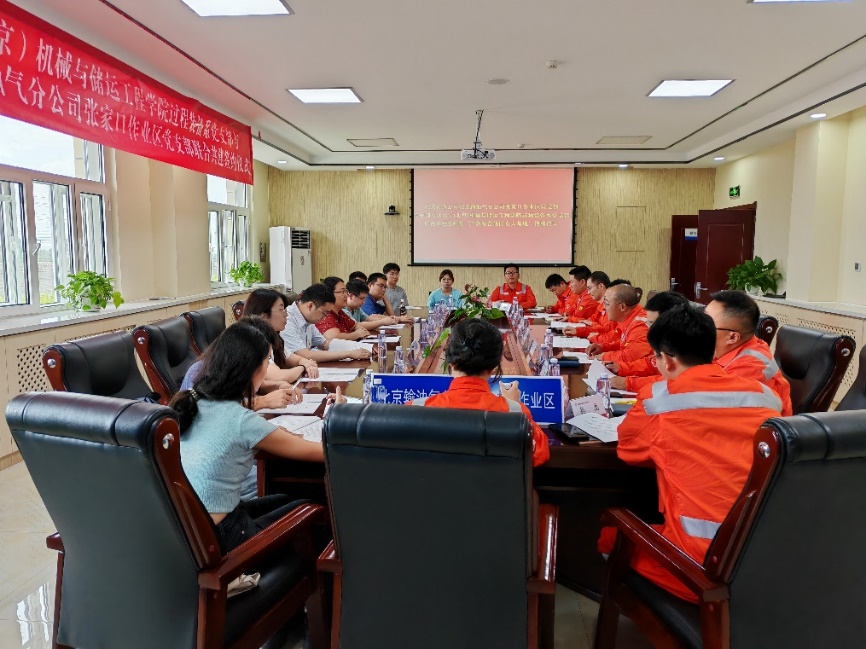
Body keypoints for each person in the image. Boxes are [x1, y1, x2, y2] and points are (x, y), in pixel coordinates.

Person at [598, 306, 782, 603]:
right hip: (768, 555)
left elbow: (628, 451)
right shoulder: (765, 396)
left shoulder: (658, 402)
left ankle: (657, 614)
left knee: (610, 535)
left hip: (702, 568)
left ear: (667, 359)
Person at [170, 320, 328, 553]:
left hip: (189, 532)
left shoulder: (192, 403)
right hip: (223, 537)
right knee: (311, 507)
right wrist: (339, 416)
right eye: (267, 361)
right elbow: (323, 452)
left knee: (287, 500)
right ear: (254, 369)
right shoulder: (243, 420)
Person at [406, 318, 549, 467]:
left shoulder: (414, 411)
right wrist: (515, 406)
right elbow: (539, 452)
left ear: (450, 362)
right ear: (494, 367)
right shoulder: (515, 414)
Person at [180, 316, 304, 411]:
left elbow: (244, 387)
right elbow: (215, 411)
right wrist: (263, 401)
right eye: (266, 359)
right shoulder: (199, 371)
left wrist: (276, 385)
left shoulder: (230, 366)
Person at [706, 290, 793, 416]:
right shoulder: (727, 348)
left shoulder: (750, 368)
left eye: (707, 324)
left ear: (733, 337)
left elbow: (709, 407)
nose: (700, 326)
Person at [604, 291, 690, 392]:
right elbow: (652, 363)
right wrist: (621, 368)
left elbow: (673, 381)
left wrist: (629, 383)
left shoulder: (688, 344)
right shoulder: (666, 340)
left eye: (653, 324)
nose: (649, 329)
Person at [281, 283, 371, 362]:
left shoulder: (307, 318)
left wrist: (363, 347)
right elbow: (306, 355)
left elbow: (325, 344)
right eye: (324, 313)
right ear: (310, 306)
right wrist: (349, 354)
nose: (325, 317)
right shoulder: (287, 320)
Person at [242, 288, 319, 380]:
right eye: (281, 310)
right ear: (264, 316)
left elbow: (297, 359)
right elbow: (280, 376)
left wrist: (306, 363)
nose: (286, 314)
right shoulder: (253, 341)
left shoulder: (273, 338)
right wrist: (303, 367)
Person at [586, 284, 650, 364]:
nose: (604, 308)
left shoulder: (640, 326)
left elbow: (630, 356)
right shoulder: (628, 317)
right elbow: (625, 344)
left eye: (607, 303)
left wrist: (603, 356)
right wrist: (604, 347)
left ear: (622, 307)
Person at [318, 276, 371, 341]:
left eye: (346, 291)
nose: (346, 295)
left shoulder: (340, 312)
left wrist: (361, 331)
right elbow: (334, 338)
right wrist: (357, 334)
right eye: (342, 292)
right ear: (329, 293)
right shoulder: (325, 313)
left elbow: (355, 325)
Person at [568, 271, 616, 338]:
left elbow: (606, 330)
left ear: (601, 286)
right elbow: (590, 320)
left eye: (590, 288)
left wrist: (590, 325)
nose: (588, 292)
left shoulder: (612, 306)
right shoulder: (600, 304)